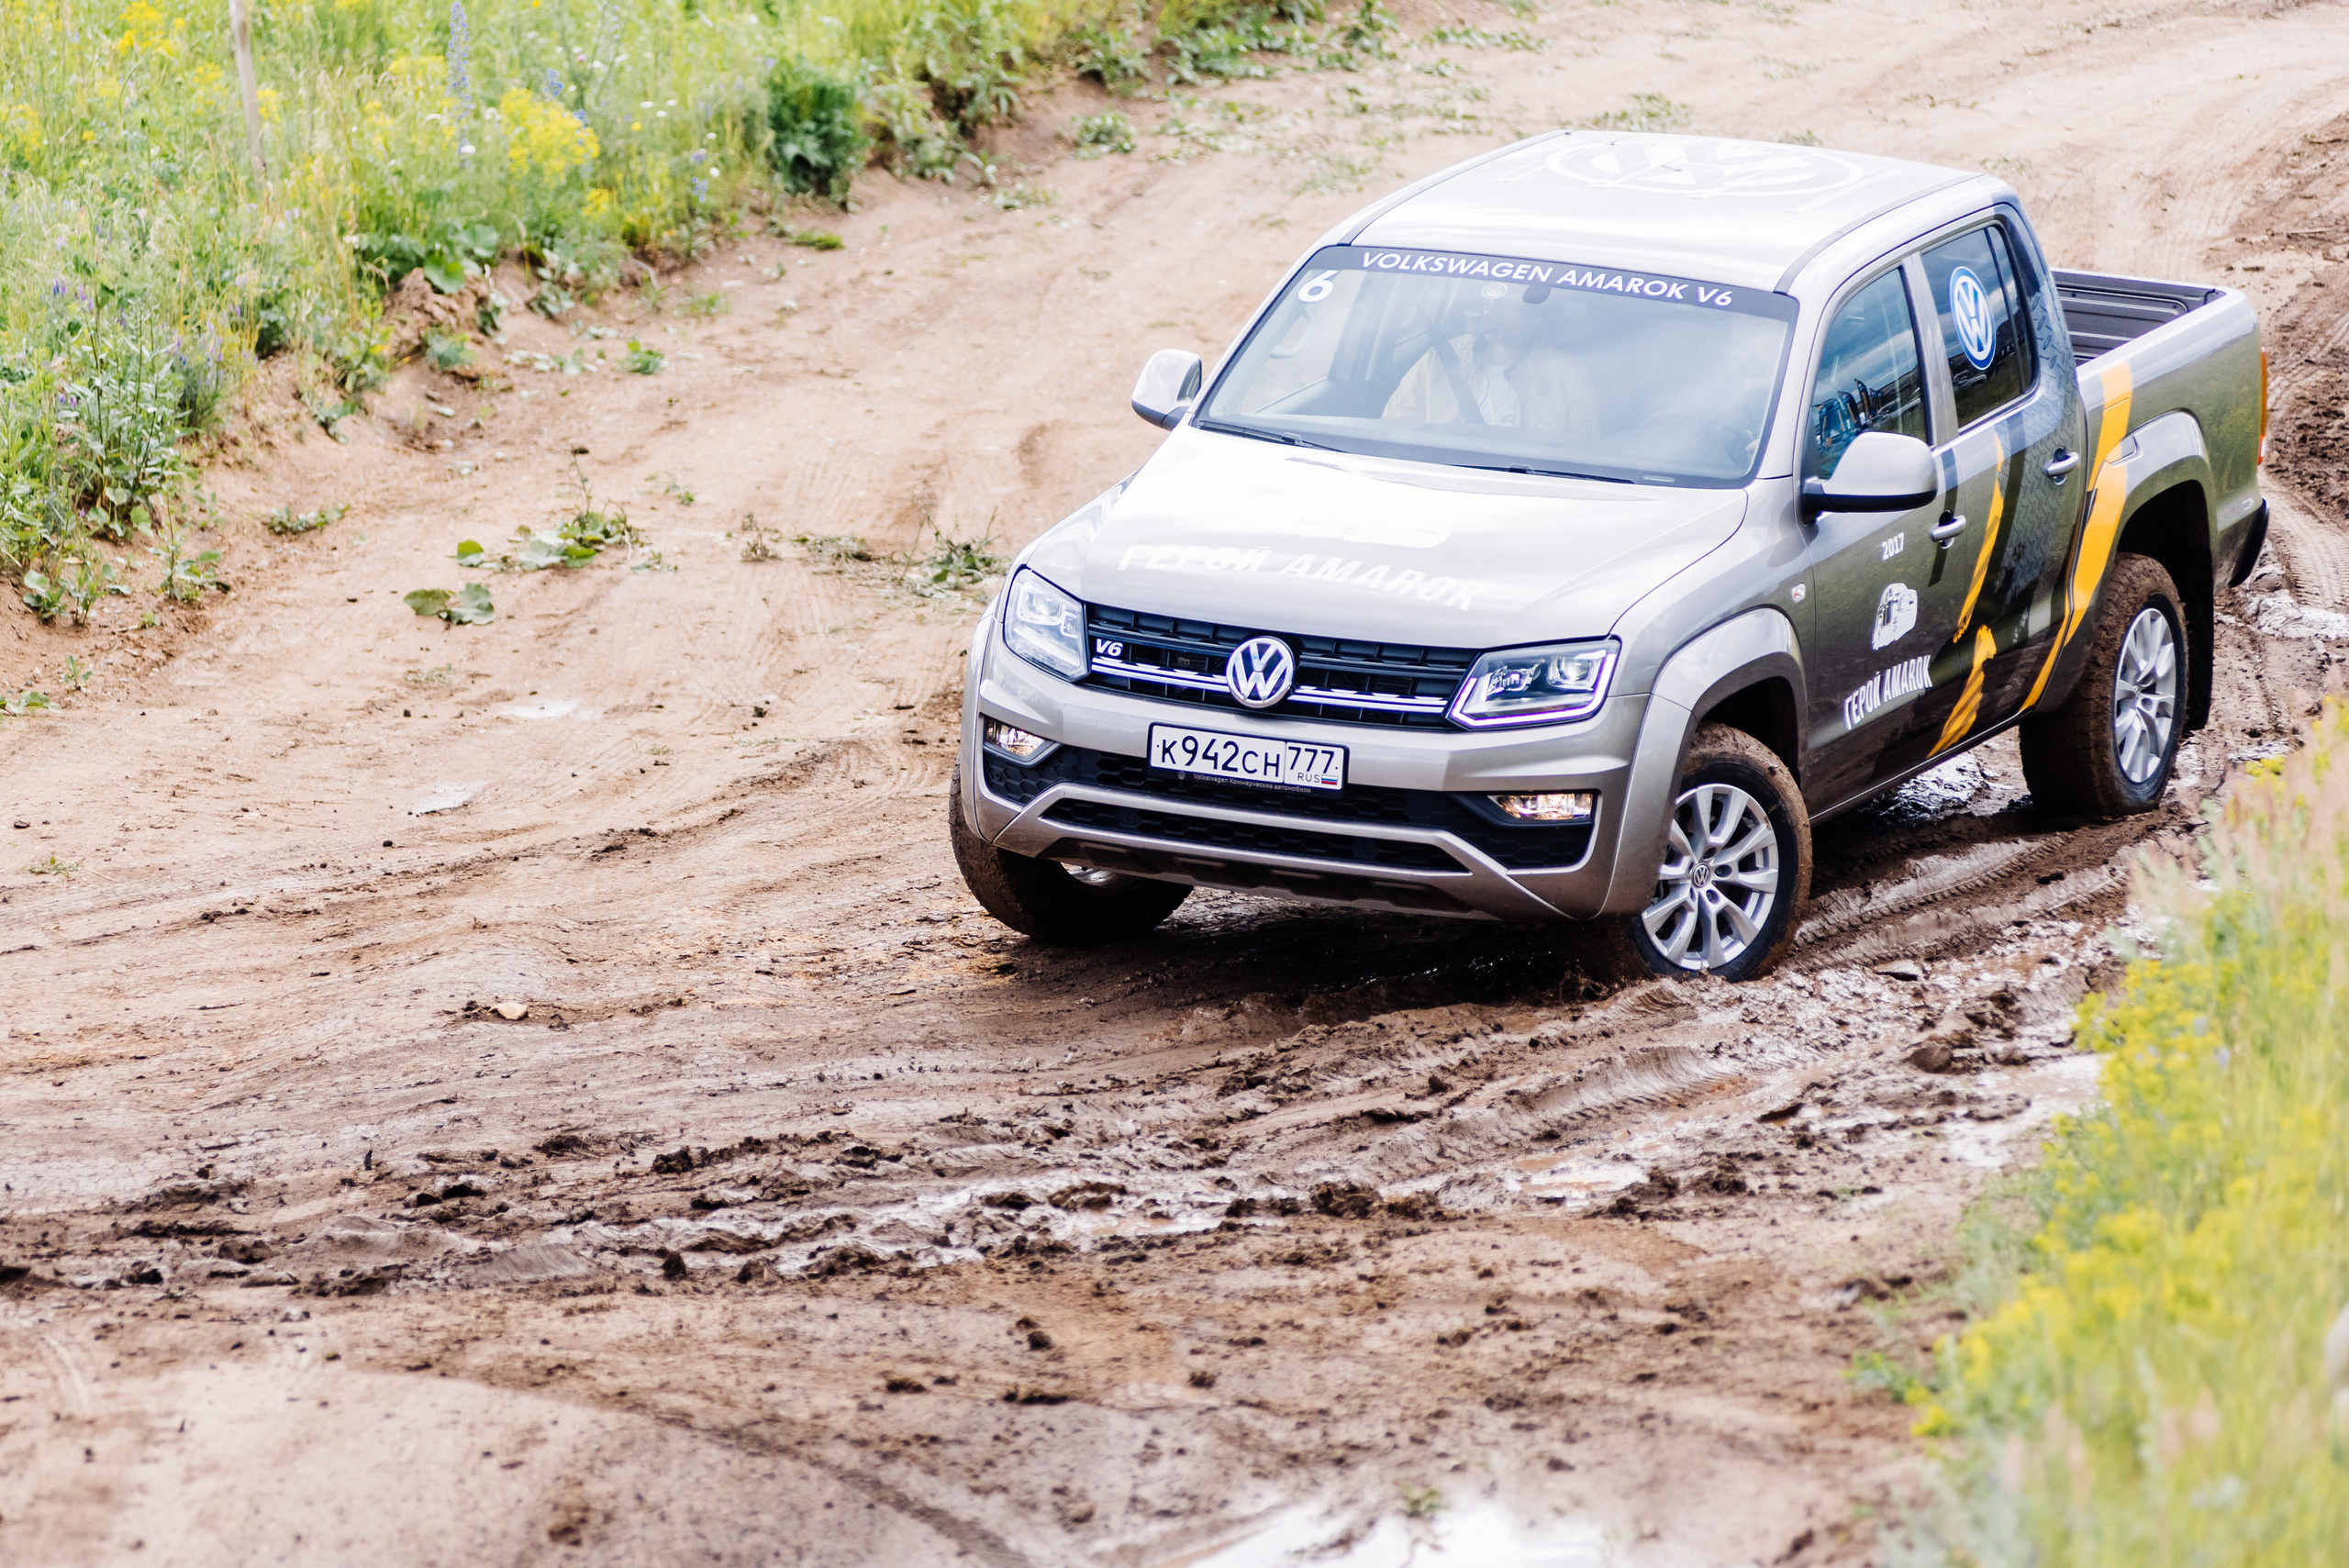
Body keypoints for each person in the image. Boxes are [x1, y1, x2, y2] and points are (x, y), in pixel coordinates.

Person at [1382, 284, 1599, 443]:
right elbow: (1391, 434)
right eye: (1491, 299)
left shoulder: (1565, 374)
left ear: (1536, 315)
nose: (1492, 307)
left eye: (1506, 300)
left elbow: (1583, 454)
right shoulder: (1439, 360)